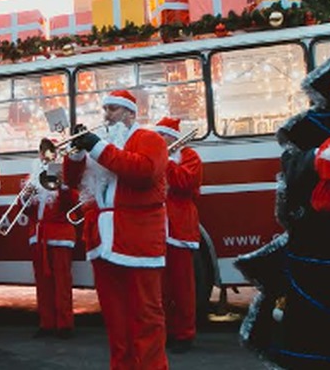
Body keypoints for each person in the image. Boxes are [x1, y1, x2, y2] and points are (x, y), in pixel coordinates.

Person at [64, 90, 169, 370]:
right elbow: (72, 181)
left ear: (130, 114)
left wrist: (97, 147)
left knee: (146, 316)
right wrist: (76, 154)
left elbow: (144, 172)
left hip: (138, 237)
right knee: (115, 318)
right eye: (105, 109)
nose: (106, 115)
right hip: (103, 239)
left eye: (113, 109)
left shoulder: (149, 139)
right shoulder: (104, 146)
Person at [155, 117, 202, 354]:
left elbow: (186, 182)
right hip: (157, 228)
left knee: (183, 286)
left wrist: (167, 162)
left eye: (162, 136)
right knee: (161, 289)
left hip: (180, 228)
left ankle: (185, 334)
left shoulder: (189, 156)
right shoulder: (158, 157)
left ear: (172, 138)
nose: (159, 140)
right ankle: (166, 333)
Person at [24, 165, 77, 340]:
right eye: (43, 154)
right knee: (42, 283)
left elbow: (72, 204)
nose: (46, 158)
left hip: (60, 234)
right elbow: (27, 211)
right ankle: (46, 323)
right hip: (38, 236)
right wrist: (25, 197)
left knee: (62, 282)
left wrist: (63, 184)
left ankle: (64, 325)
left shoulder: (65, 177)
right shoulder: (33, 179)